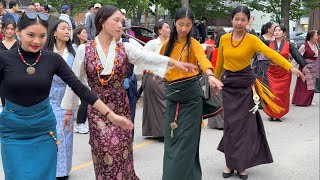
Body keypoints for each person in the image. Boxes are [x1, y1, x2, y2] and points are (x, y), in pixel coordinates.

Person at [60, 5, 197, 179]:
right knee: (104, 153)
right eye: (116, 20)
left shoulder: (125, 48)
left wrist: (174, 63)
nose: (120, 25)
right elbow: (75, 81)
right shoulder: (84, 50)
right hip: (97, 110)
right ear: (102, 21)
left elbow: (148, 57)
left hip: (121, 108)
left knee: (122, 155)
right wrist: (69, 110)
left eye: (121, 22)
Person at [0, 11, 133, 180]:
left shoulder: (52, 59)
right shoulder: (4, 58)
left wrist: (111, 115)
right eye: (30, 35)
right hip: (13, 131)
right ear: (19, 32)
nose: (36, 41)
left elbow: (79, 87)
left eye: (42, 36)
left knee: (44, 176)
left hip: (43, 129)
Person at [214, 6, 305, 180]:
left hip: (246, 86)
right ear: (231, 20)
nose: (239, 23)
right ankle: (230, 162)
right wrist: (216, 79)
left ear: (249, 21)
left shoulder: (253, 40)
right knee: (231, 126)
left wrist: (290, 67)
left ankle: (242, 166)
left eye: (243, 19)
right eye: (236, 19)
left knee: (244, 128)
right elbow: (220, 61)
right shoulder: (224, 39)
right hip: (229, 86)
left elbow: (272, 54)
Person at [160, 7, 223, 180]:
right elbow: (158, 65)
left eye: (188, 25)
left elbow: (203, 61)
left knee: (187, 144)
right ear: (175, 23)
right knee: (172, 142)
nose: (184, 29)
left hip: (191, 99)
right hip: (173, 98)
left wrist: (210, 75)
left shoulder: (194, 44)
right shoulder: (166, 45)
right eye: (181, 24)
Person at [44, 19, 76, 180]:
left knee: (67, 135)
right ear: (54, 32)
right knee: (54, 135)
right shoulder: (45, 52)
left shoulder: (73, 54)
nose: (67, 31)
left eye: (69, 29)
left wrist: (71, 107)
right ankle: (56, 171)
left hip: (66, 99)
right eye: (63, 28)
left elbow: (76, 82)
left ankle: (64, 169)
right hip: (47, 100)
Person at [263, 25, 308, 121]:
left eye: (279, 30)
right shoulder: (268, 43)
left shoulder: (289, 44)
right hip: (272, 72)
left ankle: (279, 114)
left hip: (284, 73)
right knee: (272, 93)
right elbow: (256, 41)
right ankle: (272, 113)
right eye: (275, 30)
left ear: (284, 33)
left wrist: (303, 65)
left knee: (282, 94)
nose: (276, 32)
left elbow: (297, 55)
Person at [142, 20, 170, 142]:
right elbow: (142, 57)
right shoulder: (153, 44)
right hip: (153, 76)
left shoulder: (171, 44)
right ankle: (163, 132)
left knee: (161, 104)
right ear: (159, 30)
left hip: (166, 77)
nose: (169, 29)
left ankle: (157, 131)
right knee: (161, 104)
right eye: (167, 27)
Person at [292, 30, 319, 106]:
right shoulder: (304, 45)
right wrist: (291, 66)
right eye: (316, 35)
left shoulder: (316, 45)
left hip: (313, 67)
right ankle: (301, 101)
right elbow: (298, 56)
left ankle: (308, 101)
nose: (317, 37)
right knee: (304, 84)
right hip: (305, 67)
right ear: (311, 37)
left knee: (312, 84)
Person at [206, 31, 226, 130]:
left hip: (212, 76)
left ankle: (213, 123)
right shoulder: (226, 50)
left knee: (214, 99)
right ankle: (221, 123)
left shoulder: (213, 51)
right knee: (222, 100)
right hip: (223, 76)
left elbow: (207, 62)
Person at [72, 25, 89, 134]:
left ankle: (82, 123)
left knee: (87, 100)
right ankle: (79, 123)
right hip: (79, 77)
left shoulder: (85, 46)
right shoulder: (74, 48)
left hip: (86, 77)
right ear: (78, 35)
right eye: (84, 32)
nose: (86, 34)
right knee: (85, 100)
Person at [0, 20, 18, 107]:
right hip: (2, 80)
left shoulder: (19, 45)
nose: (9, 31)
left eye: (12, 29)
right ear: (3, 29)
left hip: (17, 79)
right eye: (7, 28)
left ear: (15, 30)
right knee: (5, 106)